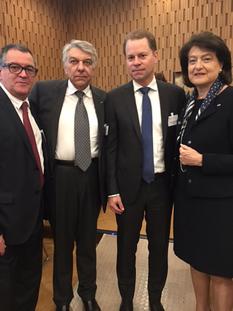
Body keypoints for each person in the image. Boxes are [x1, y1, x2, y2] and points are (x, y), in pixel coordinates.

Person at [105, 30, 186, 311]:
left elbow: (180, 140)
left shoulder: (175, 95)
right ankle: (126, 300)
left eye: (142, 55)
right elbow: (110, 149)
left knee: (159, 248)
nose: (136, 62)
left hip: (162, 188)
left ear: (156, 56)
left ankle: (154, 300)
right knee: (126, 248)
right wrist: (111, 189)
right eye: (130, 57)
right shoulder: (114, 99)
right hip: (127, 190)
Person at [29, 40, 106, 311]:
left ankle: (87, 294)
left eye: (87, 62)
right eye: (74, 61)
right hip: (60, 178)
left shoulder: (103, 99)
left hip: (92, 175)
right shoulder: (44, 92)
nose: (80, 68)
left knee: (88, 241)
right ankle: (61, 300)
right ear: (65, 65)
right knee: (62, 243)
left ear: (94, 67)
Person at [174, 31, 233, 311]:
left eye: (206, 59)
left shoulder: (230, 100)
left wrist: (203, 160)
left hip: (221, 204)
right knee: (196, 260)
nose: (197, 66)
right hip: (190, 200)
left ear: (221, 64)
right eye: (192, 60)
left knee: (220, 268)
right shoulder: (190, 102)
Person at [0, 44, 44, 310]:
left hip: (33, 221)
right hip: (6, 228)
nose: (23, 74)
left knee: (28, 288)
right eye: (14, 67)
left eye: (28, 69)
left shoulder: (31, 109)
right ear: (1, 71)